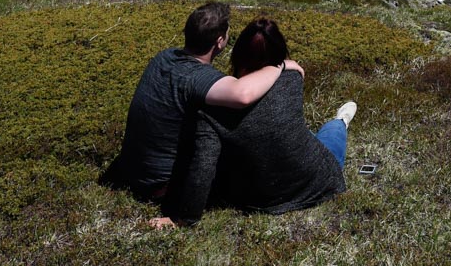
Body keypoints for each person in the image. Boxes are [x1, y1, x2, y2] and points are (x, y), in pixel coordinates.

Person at [153, 17, 356, 227]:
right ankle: (340, 121)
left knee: (317, 137)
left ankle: (340, 121)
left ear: (238, 53)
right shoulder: (292, 78)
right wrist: (285, 65)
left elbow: (203, 166)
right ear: (279, 56)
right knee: (329, 137)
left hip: (261, 197)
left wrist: (184, 218)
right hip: (316, 179)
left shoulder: (211, 109)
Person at [101, 2, 294, 201]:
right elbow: (242, 94)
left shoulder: (164, 57)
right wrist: (279, 66)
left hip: (130, 172)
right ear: (220, 41)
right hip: (161, 186)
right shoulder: (199, 78)